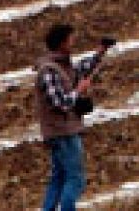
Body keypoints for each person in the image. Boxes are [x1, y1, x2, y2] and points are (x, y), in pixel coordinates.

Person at [35, 23, 111, 211]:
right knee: (75, 179)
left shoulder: (61, 66)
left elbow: (82, 69)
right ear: (61, 43)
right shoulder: (49, 71)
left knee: (59, 177)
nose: (73, 42)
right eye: (70, 39)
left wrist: (100, 52)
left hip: (62, 131)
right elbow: (60, 103)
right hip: (63, 133)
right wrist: (79, 91)